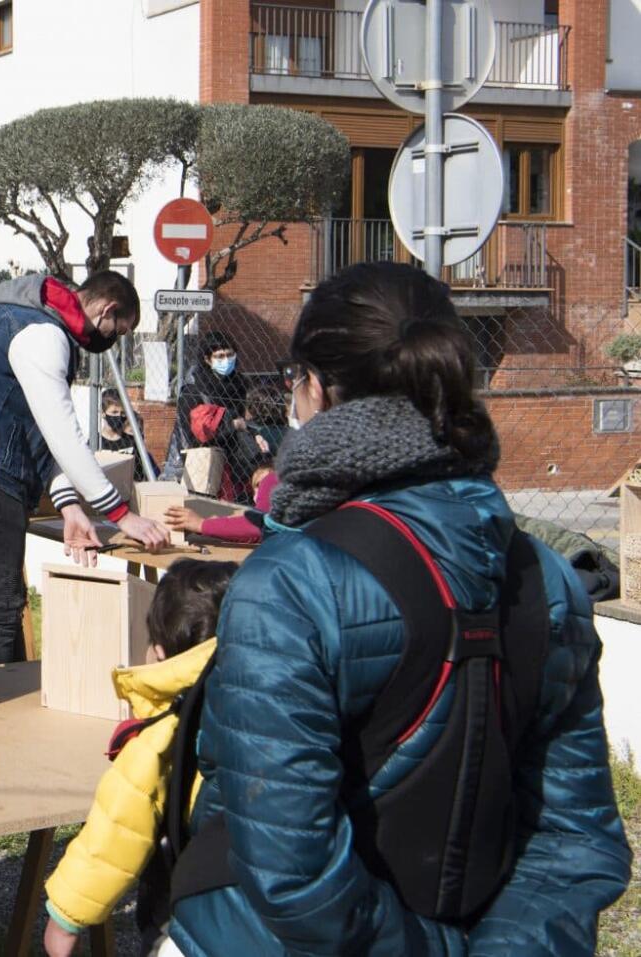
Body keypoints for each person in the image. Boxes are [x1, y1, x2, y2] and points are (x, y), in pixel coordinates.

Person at [167, 262, 633, 955]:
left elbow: (290, 871)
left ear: (315, 389)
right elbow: (573, 839)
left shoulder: (289, 584)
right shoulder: (549, 582)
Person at [0, 269, 168, 666]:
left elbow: (35, 428)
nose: (113, 340)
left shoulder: (14, 314)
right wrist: (120, 514)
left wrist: (69, 505)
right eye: (118, 330)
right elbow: (62, 431)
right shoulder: (44, 335)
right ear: (107, 309)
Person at [42, 559, 238, 957]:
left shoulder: (165, 730)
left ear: (159, 654)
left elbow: (117, 826)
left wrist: (66, 918)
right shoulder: (276, 702)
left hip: (188, 908)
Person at [161, 331, 255, 502]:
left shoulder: (240, 385)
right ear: (207, 359)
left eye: (229, 354)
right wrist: (231, 425)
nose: (226, 360)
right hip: (196, 460)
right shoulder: (194, 388)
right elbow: (194, 433)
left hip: (232, 460)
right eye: (219, 356)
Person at [164, 461, 277, 546]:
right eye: (257, 486)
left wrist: (201, 525)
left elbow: (258, 525)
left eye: (264, 485)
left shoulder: (275, 478)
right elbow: (251, 534)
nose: (263, 489)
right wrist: (212, 526)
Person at [98, 387, 160, 481]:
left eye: (122, 413)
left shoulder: (132, 441)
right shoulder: (96, 442)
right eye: (114, 412)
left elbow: (142, 474)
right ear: (103, 413)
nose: (119, 416)